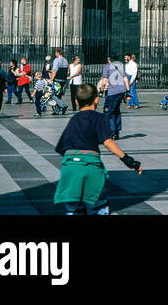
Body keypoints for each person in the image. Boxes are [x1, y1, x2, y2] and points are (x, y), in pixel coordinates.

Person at [53, 82, 142, 215]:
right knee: (98, 205)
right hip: (90, 168)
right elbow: (107, 141)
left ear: (76, 102)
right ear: (96, 99)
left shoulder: (73, 120)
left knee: (73, 208)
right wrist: (128, 160)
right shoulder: (100, 118)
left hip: (70, 168)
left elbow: (62, 148)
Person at [99, 54, 129, 139]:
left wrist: (101, 90)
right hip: (121, 91)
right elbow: (126, 79)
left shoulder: (107, 67)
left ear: (109, 59)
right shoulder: (121, 66)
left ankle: (112, 132)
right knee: (116, 110)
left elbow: (104, 80)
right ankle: (117, 130)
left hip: (113, 92)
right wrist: (128, 91)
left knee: (109, 112)